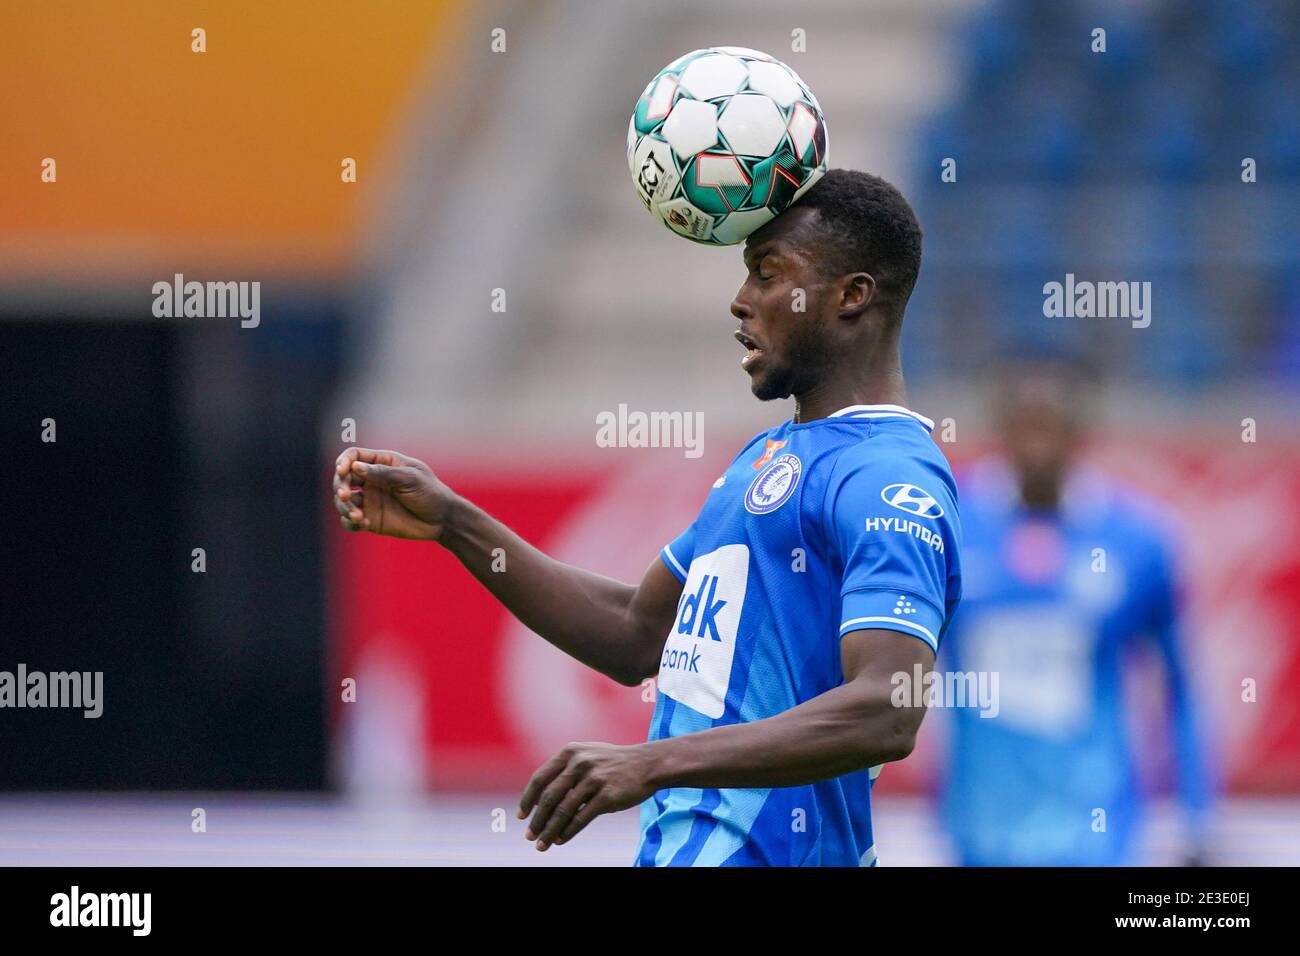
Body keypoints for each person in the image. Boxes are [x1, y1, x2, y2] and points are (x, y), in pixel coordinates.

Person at [332, 169, 962, 866]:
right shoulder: (769, 458)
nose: (741, 300)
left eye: (768, 274)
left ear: (851, 296)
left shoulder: (888, 476)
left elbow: (887, 707)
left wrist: (651, 762)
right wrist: (455, 523)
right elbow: (637, 632)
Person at [938, 363, 1213, 866]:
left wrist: (1196, 816)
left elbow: (1181, 686)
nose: (1037, 443)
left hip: (1098, 839)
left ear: (1079, 433)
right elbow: (889, 672)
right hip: (979, 834)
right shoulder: (951, 530)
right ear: (1001, 429)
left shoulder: (1136, 539)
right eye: (1024, 425)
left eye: (1051, 425)